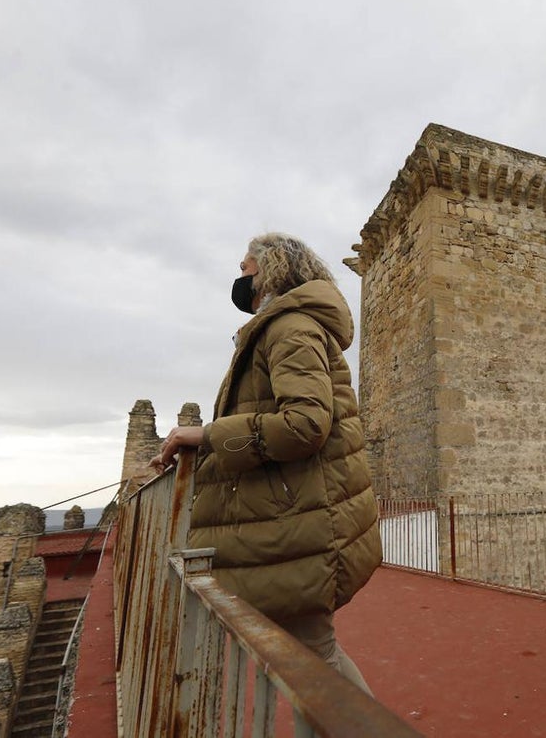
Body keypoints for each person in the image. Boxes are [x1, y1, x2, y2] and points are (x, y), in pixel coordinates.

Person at [151, 232, 382, 734]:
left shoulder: (290, 328)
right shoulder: (284, 328)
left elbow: (305, 424)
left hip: (300, 527)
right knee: (313, 653)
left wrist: (207, 434)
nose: (240, 277)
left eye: (246, 267)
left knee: (315, 657)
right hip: (297, 524)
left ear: (270, 271)